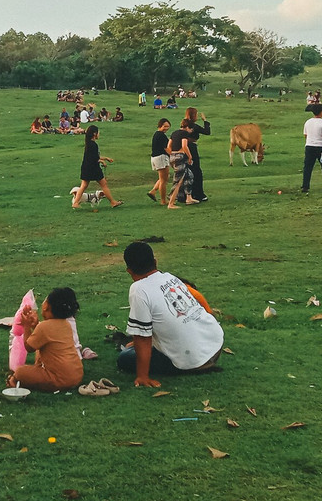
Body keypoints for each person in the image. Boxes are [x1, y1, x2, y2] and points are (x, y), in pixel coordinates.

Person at [117, 242, 224, 387]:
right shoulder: (170, 278)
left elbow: (142, 338)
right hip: (215, 345)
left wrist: (142, 376)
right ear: (155, 262)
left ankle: (192, 364)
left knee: (124, 358)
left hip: (191, 359)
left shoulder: (139, 290)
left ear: (129, 271)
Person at [6, 287, 84, 392]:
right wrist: (35, 326)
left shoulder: (44, 327)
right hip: (76, 376)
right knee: (41, 350)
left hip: (59, 379)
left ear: (47, 306)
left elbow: (29, 347)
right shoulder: (66, 324)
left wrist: (26, 326)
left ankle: (15, 381)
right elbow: (46, 337)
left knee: (20, 372)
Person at [71, 125, 121, 208]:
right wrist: (102, 161)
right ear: (95, 134)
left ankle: (75, 203)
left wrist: (106, 158)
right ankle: (113, 202)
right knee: (104, 184)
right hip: (93, 168)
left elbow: (94, 157)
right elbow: (95, 158)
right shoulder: (93, 145)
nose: (99, 134)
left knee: (83, 186)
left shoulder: (89, 144)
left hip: (86, 167)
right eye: (98, 133)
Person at [166, 119, 198, 208]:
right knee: (178, 180)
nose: (191, 131)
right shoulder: (185, 134)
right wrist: (190, 156)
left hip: (172, 155)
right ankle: (171, 202)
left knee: (189, 176)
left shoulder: (174, 133)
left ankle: (189, 198)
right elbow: (184, 145)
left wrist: (172, 154)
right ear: (187, 127)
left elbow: (168, 146)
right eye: (191, 129)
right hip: (180, 156)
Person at [183, 107, 211, 202]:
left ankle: (185, 194)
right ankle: (199, 194)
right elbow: (207, 132)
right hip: (191, 147)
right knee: (197, 171)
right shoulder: (193, 126)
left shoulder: (184, 123)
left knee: (187, 171)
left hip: (184, 147)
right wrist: (205, 120)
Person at [301, 103, 322, 192]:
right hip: (320, 147)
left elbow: (305, 135)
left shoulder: (308, 122)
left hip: (309, 146)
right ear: (321, 112)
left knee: (307, 167)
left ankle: (305, 186)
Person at [147, 118, 171, 204]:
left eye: (168, 126)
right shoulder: (161, 135)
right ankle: (163, 200)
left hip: (155, 157)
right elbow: (166, 149)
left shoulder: (156, 134)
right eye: (165, 126)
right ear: (160, 126)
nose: (166, 128)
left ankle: (153, 191)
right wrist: (173, 155)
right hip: (160, 157)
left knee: (165, 177)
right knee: (164, 180)